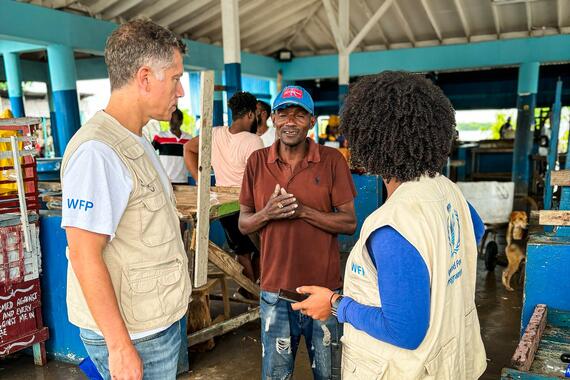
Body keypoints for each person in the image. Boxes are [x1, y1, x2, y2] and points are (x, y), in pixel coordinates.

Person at [292, 71, 487, 380]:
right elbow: (473, 231)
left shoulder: (392, 227)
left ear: (369, 141)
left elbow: (405, 332)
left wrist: (334, 303)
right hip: (452, 359)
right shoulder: (447, 189)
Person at [61, 19, 191, 380]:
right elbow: (84, 254)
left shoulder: (135, 139)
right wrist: (119, 348)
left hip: (150, 323)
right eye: (176, 78)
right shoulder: (98, 151)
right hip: (135, 335)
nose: (180, 92)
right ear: (146, 77)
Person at [238, 85, 357, 379]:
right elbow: (244, 223)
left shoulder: (331, 161)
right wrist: (268, 213)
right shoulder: (256, 162)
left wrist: (303, 212)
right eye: (283, 113)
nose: (290, 121)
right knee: (275, 374)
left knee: (328, 374)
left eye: (299, 114)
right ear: (273, 119)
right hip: (275, 292)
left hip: (324, 292)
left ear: (311, 122)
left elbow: (349, 223)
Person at [184, 91, 263, 295]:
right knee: (264, 248)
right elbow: (259, 178)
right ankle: (257, 293)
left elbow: (188, 149)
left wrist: (202, 182)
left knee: (242, 251)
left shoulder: (215, 133)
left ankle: (250, 292)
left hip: (222, 202)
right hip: (247, 202)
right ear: (250, 115)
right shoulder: (252, 140)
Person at [152, 108, 192, 184]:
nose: (171, 122)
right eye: (170, 119)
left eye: (174, 119)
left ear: (180, 121)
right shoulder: (160, 136)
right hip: (165, 180)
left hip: (182, 180)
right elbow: (149, 153)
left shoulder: (188, 139)